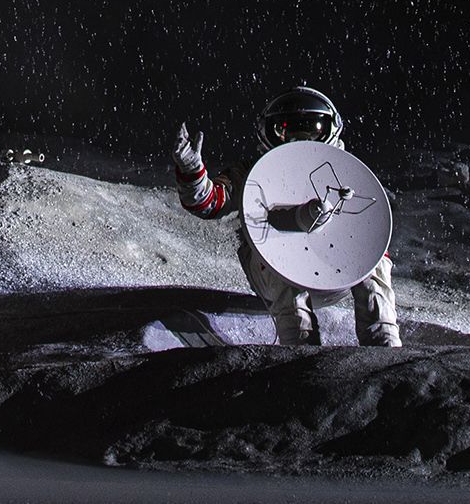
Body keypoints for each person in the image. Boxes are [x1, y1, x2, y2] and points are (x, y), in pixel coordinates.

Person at [172, 85, 402, 347]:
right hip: (274, 267)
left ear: (330, 129)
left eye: (312, 128)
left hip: (334, 270)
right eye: (286, 129)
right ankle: (298, 344)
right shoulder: (253, 173)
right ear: (267, 131)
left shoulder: (344, 172)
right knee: (280, 268)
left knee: (373, 258)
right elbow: (211, 202)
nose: (299, 138)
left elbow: (370, 226)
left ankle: (384, 340)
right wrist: (192, 172)